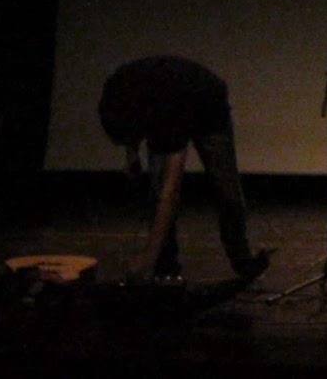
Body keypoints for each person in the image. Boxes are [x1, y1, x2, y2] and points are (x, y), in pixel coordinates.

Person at [98, 55, 271, 283]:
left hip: (208, 108)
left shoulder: (168, 113)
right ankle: (166, 267)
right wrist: (131, 154)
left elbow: (169, 192)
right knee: (156, 190)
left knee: (226, 190)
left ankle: (242, 260)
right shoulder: (115, 94)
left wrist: (147, 255)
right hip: (166, 100)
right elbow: (130, 126)